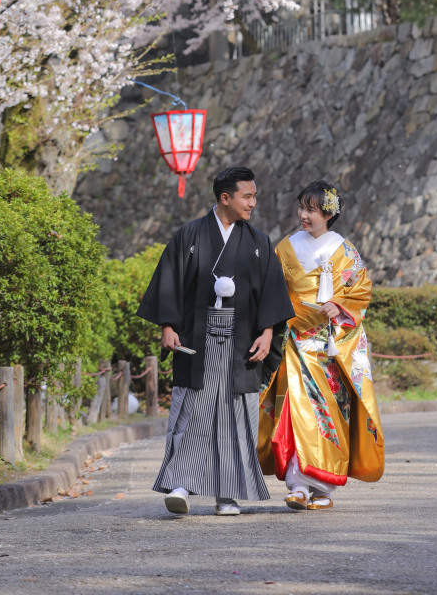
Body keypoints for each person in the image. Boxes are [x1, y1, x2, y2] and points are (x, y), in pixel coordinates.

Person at [137, 165, 294, 517]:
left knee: (236, 417)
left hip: (243, 344)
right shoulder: (189, 235)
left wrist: (268, 332)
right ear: (225, 198)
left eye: (254, 196)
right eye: (247, 196)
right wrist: (167, 326)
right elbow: (169, 282)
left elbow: (272, 293)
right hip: (197, 339)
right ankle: (180, 485)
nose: (253, 203)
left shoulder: (258, 242)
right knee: (191, 411)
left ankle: (228, 494)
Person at [258, 180, 385, 510]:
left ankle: (324, 488)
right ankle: (299, 484)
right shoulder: (286, 248)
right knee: (295, 411)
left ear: (328, 214)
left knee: (330, 414)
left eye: (311, 210)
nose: (303, 215)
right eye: (301, 208)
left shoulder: (344, 251)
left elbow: (361, 290)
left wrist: (339, 305)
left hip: (331, 347)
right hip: (295, 342)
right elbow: (270, 290)